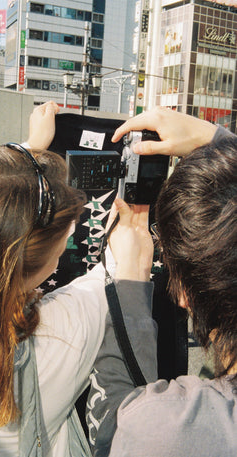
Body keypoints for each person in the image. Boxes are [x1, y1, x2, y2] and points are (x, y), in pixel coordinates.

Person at [0, 101, 151, 457]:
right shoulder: (59, 334)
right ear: (29, 264)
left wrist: (30, 149)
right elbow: (119, 271)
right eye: (62, 237)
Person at [87, 107, 237, 457]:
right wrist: (219, 142)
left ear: (185, 292)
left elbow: (115, 422)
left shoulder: (174, 431)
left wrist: (129, 279)